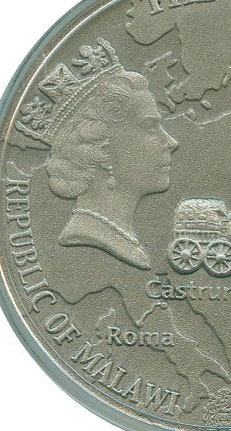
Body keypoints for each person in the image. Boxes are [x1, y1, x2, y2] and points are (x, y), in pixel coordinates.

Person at [15, 38, 178, 269]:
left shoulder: (125, 239)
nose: (171, 142)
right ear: (102, 147)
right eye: (150, 127)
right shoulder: (88, 236)